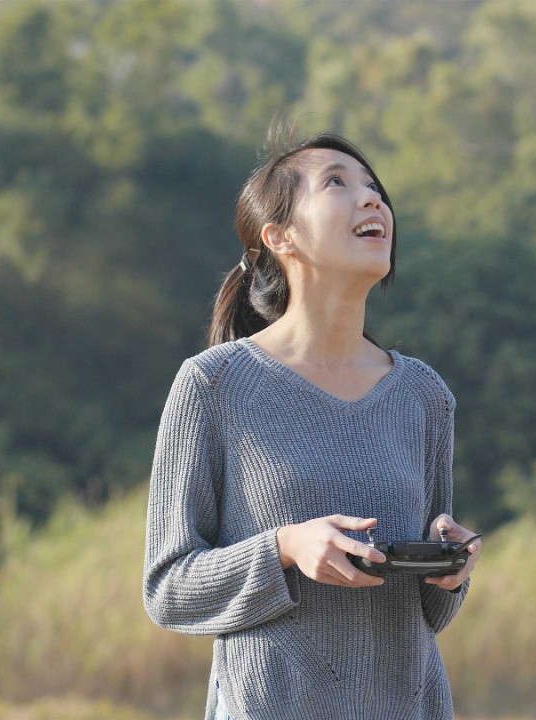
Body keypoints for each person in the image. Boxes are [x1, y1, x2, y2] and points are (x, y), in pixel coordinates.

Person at [143, 126, 480, 720]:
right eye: (337, 183)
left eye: (375, 188)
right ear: (281, 238)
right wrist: (286, 548)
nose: (373, 200)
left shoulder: (424, 394)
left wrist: (449, 572)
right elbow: (169, 589)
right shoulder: (213, 385)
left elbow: (430, 619)